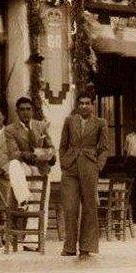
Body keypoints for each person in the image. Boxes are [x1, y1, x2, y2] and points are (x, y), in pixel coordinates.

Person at [58, 93, 108, 259]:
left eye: (87, 103)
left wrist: (98, 165)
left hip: (89, 166)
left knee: (89, 207)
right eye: (81, 103)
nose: (84, 106)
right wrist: (63, 163)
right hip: (70, 167)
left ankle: (86, 246)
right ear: (77, 105)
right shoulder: (69, 121)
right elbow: (62, 145)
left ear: (92, 105)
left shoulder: (100, 123)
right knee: (70, 207)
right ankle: (70, 246)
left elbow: (105, 148)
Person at [6, 96, 56, 177]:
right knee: (13, 164)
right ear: (17, 112)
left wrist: (51, 155)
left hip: (42, 167)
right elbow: (12, 153)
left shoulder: (41, 126)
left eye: (28, 109)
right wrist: (25, 155)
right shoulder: (10, 130)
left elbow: (50, 146)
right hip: (23, 167)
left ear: (32, 111)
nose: (25, 112)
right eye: (22, 109)